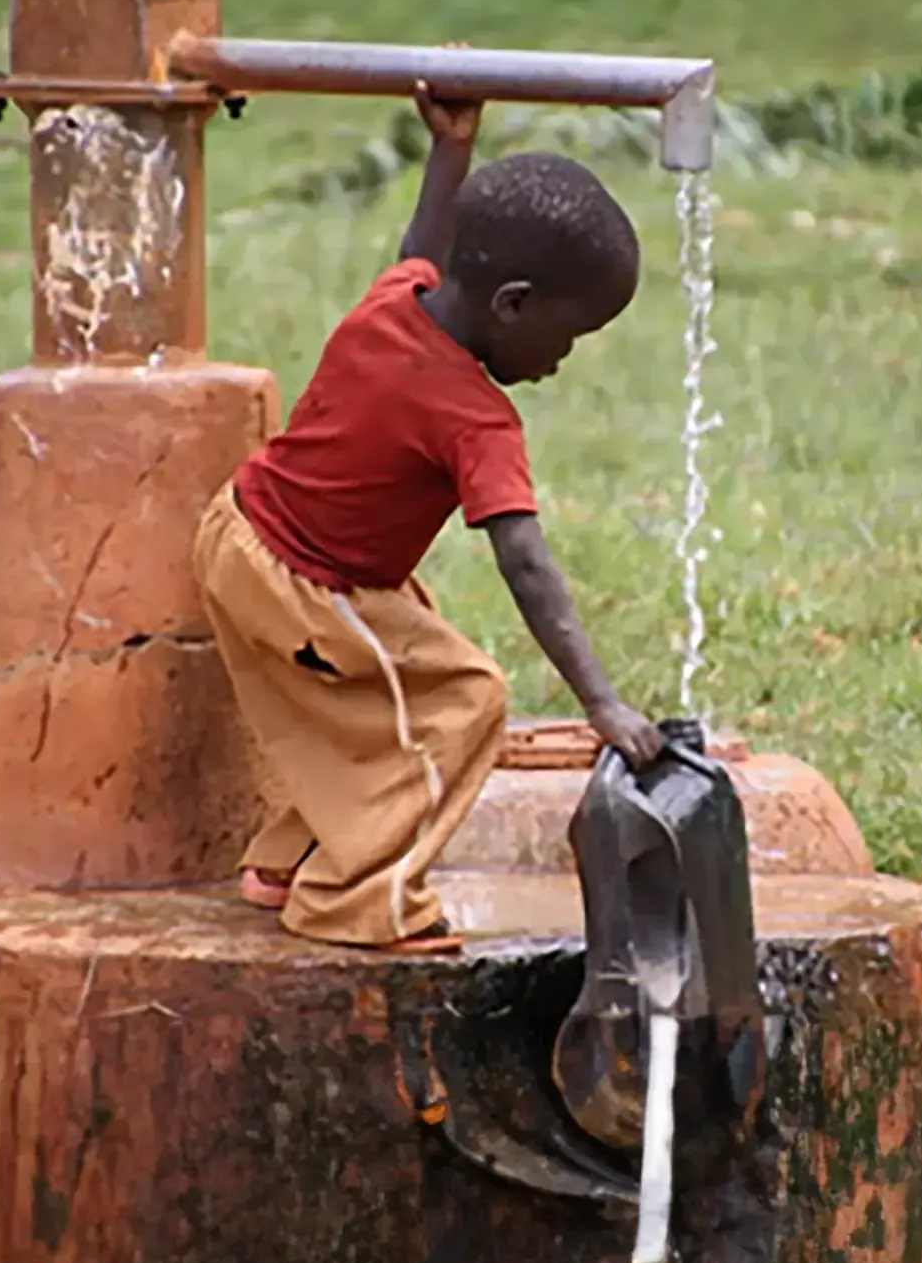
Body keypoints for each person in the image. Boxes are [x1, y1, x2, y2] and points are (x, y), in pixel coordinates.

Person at [194, 78, 664, 949]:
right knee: (461, 703)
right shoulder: (476, 417)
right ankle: (355, 898)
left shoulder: (398, 299)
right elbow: (525, 561)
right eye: (567, 337)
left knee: (385, 689)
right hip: (300, 580)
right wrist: (602, 703)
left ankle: (289, 858)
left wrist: (450, 147)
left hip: (248, 531)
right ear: (513, 305)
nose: (563, 360)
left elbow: (426, 244)